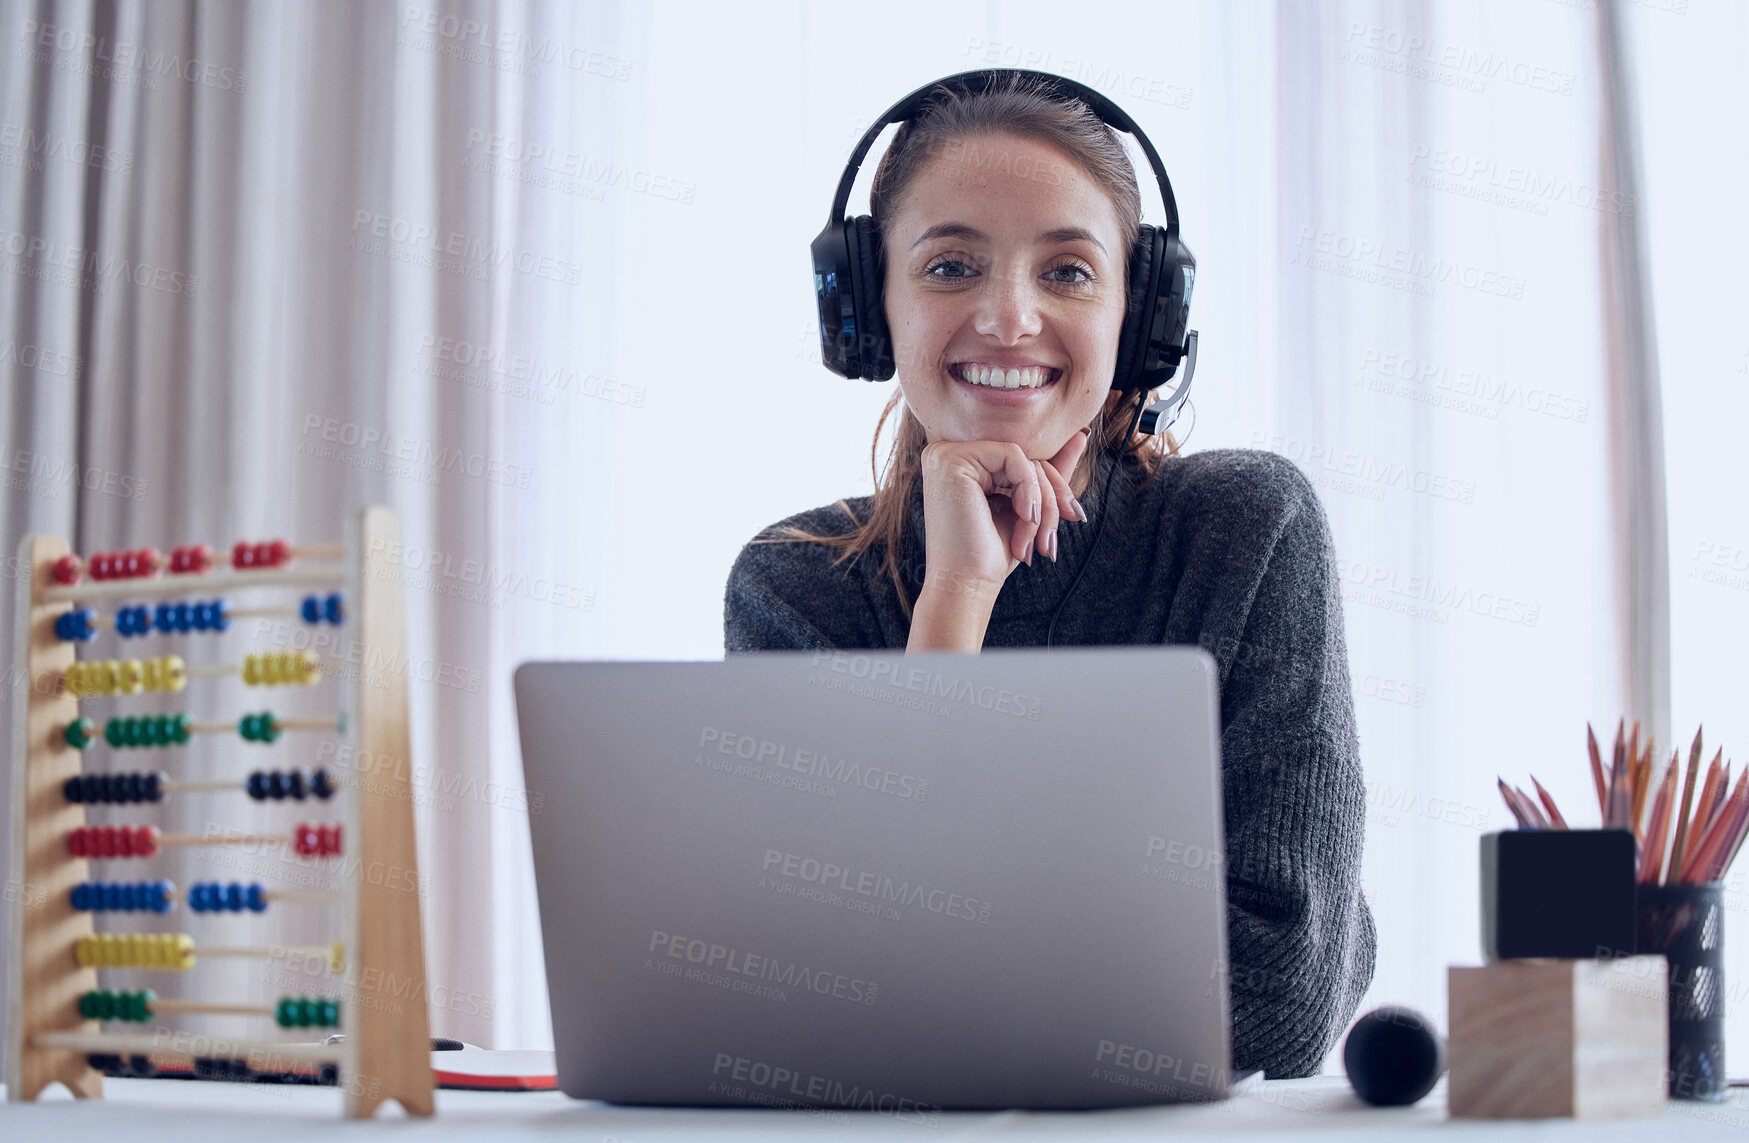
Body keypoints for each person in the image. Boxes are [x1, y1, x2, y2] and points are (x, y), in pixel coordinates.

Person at [724, 72, 1374, 1079]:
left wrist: (950, 926)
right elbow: (823, 1006)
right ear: (866, 311)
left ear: (1141, 320)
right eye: (949, 267)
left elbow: (1278, 1003)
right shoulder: (791, 590)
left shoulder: (1241, 532)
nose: (1011, 319)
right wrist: (956, 604)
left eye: (1068, 273)